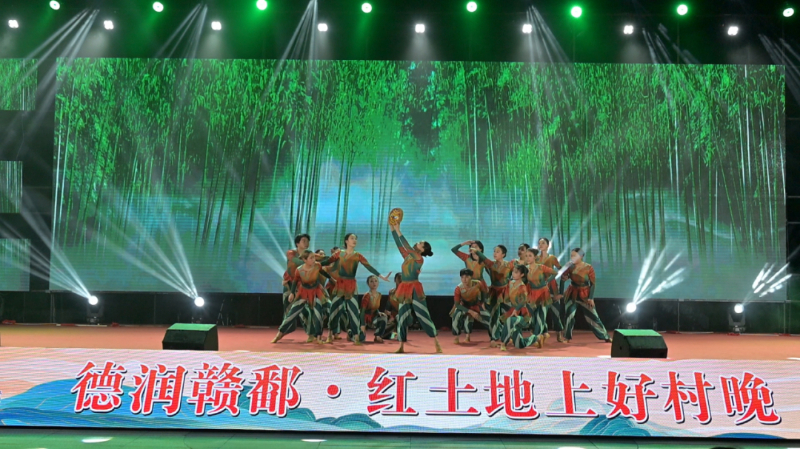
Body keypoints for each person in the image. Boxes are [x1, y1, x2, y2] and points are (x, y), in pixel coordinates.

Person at [326, 233, 390, 343]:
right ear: (346, 241)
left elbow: (369, 266)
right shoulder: (339, 253)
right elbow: (327, 262)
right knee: (334, 310)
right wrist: (314, 263)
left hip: (351, 285)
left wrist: (381, 276)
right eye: (352, 238)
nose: (354, 240)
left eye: (355, 238)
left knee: (354, 311)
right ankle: (330, 334)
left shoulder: (358, 255)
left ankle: (356, 336)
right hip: (340, 285)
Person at [389, 221, 442, 354]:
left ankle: (436, 342)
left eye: (419, 243)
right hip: (404, 287)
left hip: (414, 288)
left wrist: (398, 230)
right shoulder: (408, 257)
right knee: (402, 316)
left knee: (423, 314)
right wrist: (392, 229)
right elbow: (399, 244)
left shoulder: (418, 258)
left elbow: (406, 246)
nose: (417, 243)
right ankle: (401, 345)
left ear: (422, 250)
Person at [272, 250, 332, 344]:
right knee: (292, 313)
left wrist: (332, 279)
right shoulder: (299, 269)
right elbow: (295, 281)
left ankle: (318, 337)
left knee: (318, 313)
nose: (313, 260)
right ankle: (279, 334)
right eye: (311, 258)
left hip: (316, 291)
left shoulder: (317, 265)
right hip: (303, 292)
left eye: (314, 258)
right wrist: (292, 293)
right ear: (304, 260)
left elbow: (323, 272)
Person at [560, 248, 612, 343]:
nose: (572, 257)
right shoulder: (569, 266)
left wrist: (591, 298)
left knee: (593, 316)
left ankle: (605, 336)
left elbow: (593, 284)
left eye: (574, 255)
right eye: (571, 255)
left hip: (585, 294)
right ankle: (567, 337)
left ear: (581, 256)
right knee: (569, 315)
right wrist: (563, 281)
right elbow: (562, 279)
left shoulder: (588, 267)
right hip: (572, 293)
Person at [473, 245, 513, 347]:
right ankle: (493, 338)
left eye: (498, 251)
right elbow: (484, 258)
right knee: (494, 315)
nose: (495, 253)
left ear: (503, 254)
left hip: (506, 292)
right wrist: (477, 251)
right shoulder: (491, 264)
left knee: (509, 314)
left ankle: (510, 336)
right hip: (495, 292)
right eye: (494, 251)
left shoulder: (509, 265)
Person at [498, 264, 542, 351]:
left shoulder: (522, 287)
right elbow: (506, 299)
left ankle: (503, 343)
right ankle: (536, 338)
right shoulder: (510, 283)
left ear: (522, 275)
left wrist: (516, 309)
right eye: (513, 272)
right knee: (519, 344)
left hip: (523, 315)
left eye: (516, 272)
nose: (513, 274)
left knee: (510, 320)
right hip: (513, 311)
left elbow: (524, 300)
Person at [524, 247, 558, 346]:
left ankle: (536, 337)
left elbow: (554, 273)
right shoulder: (525, 269)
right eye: (526, 256)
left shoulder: (541, 267)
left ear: (535, 257)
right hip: (532, 294)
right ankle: (545, 333)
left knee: (541, 315)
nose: (527, 258)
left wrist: (547, 281)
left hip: (543, 293)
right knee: (533, 316)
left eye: (530, 256)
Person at [537, 238, 565, 342]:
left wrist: (561, 291)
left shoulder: (552, 258)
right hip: (540, 287)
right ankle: (542, 334)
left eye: (543, 243)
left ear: (548, 245)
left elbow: (561, 270)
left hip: (552, 287)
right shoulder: (536, 258)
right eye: (539, 243)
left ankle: (559, 333)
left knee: (555, 312)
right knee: (541, 312)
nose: (540, 245)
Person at [451, 268, 490, 344]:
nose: (464, 279)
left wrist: (482, 302)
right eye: (462, 277)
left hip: (476, 305)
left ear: (471, 277)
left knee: (488, 318)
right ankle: (456, 336)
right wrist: (471, 312)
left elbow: (484, 293)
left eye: (467, 277)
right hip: (464, 306)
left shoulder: (478, 283)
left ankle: (495, 337)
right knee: (457, 315)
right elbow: (457, 304)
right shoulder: (458, 288)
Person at [355, 275, 390, 344]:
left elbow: (375, 308)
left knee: (383, 317)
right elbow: (362, 311)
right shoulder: (367, 295)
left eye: (376, 281)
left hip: (373, 317)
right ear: (368, 284)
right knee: (361, 339)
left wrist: (378, 312)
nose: (374, 283)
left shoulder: (379, 295)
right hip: (364, 318)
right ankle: (351, 333)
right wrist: (362, 325)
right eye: (371, 281)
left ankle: (377, 336)